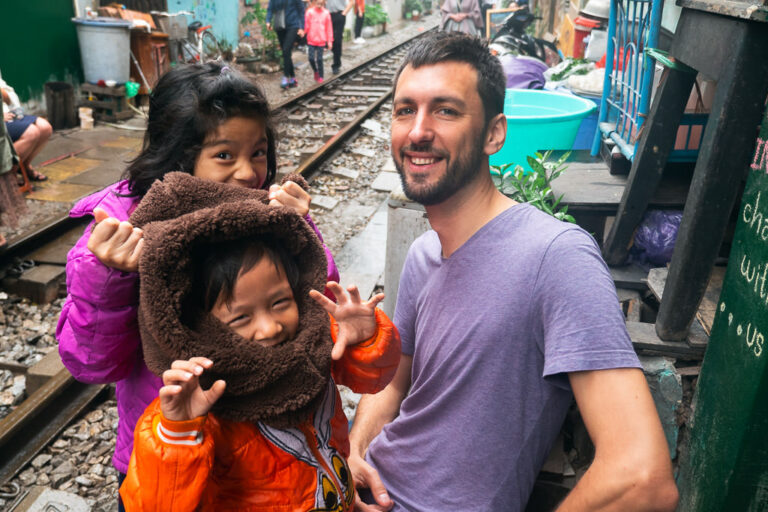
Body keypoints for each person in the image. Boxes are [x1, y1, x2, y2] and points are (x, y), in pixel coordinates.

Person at [347, 32, 680, 511]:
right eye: (405, 110)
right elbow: (395, 383)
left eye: (445, 110)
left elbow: (642, 476)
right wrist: (356, 450)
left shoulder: (555, 255)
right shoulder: (423, 253)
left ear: (494, 134)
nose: (418, 130)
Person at [56, 63, 340, 512]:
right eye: (225, 155)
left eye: (259, 152)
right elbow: (91, 365)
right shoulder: (120, 233)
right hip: (167, 451)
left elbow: (318, 305)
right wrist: (108, 276)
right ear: (177, 155)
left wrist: (301, 229)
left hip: (266, 448)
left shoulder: (262, 213)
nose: (249, 174)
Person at [119, 174, 400, 509]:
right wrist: (177, 433)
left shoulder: (310, 341)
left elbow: (373, 377)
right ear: (203, 326)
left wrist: (365, 338)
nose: (269, 328)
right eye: (240, 318)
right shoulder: (199, 404)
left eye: (280, 302)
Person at [1, 76, 50, 182]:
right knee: (31, 133)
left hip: (7, 113)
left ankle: (24, 166)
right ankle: (6, 177)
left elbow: (8, 99)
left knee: (45, 128)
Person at [266, 0, 307, 88]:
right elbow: (270, 9)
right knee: (286, 53)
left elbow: (301, 11)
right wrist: (268, 21)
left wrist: (302, 27)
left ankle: (285, 77)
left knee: (286, 49)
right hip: (280, 26)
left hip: (293, 26)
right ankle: (293, 78)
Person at [305, 0, 333, 83]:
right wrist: (302, 32)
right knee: (311, 58)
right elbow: (306, 25)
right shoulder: (310, 12)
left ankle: (321, 76)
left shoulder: (326, 13)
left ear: (324, 3)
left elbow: (329, 28)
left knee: (320, 59)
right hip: (311, 40)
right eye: (318, 3)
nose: (319, 5)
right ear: (315, 2)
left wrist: (329, 41)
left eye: (321, 3)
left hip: (321, 40)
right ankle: (315, 71)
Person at [326, 0, 353, 74]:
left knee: (337, 40)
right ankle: (337, 55)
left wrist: (344, 13)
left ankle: (336, 65)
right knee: (329, 40)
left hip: (339, 15)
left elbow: (351, 2)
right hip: (327, 15)